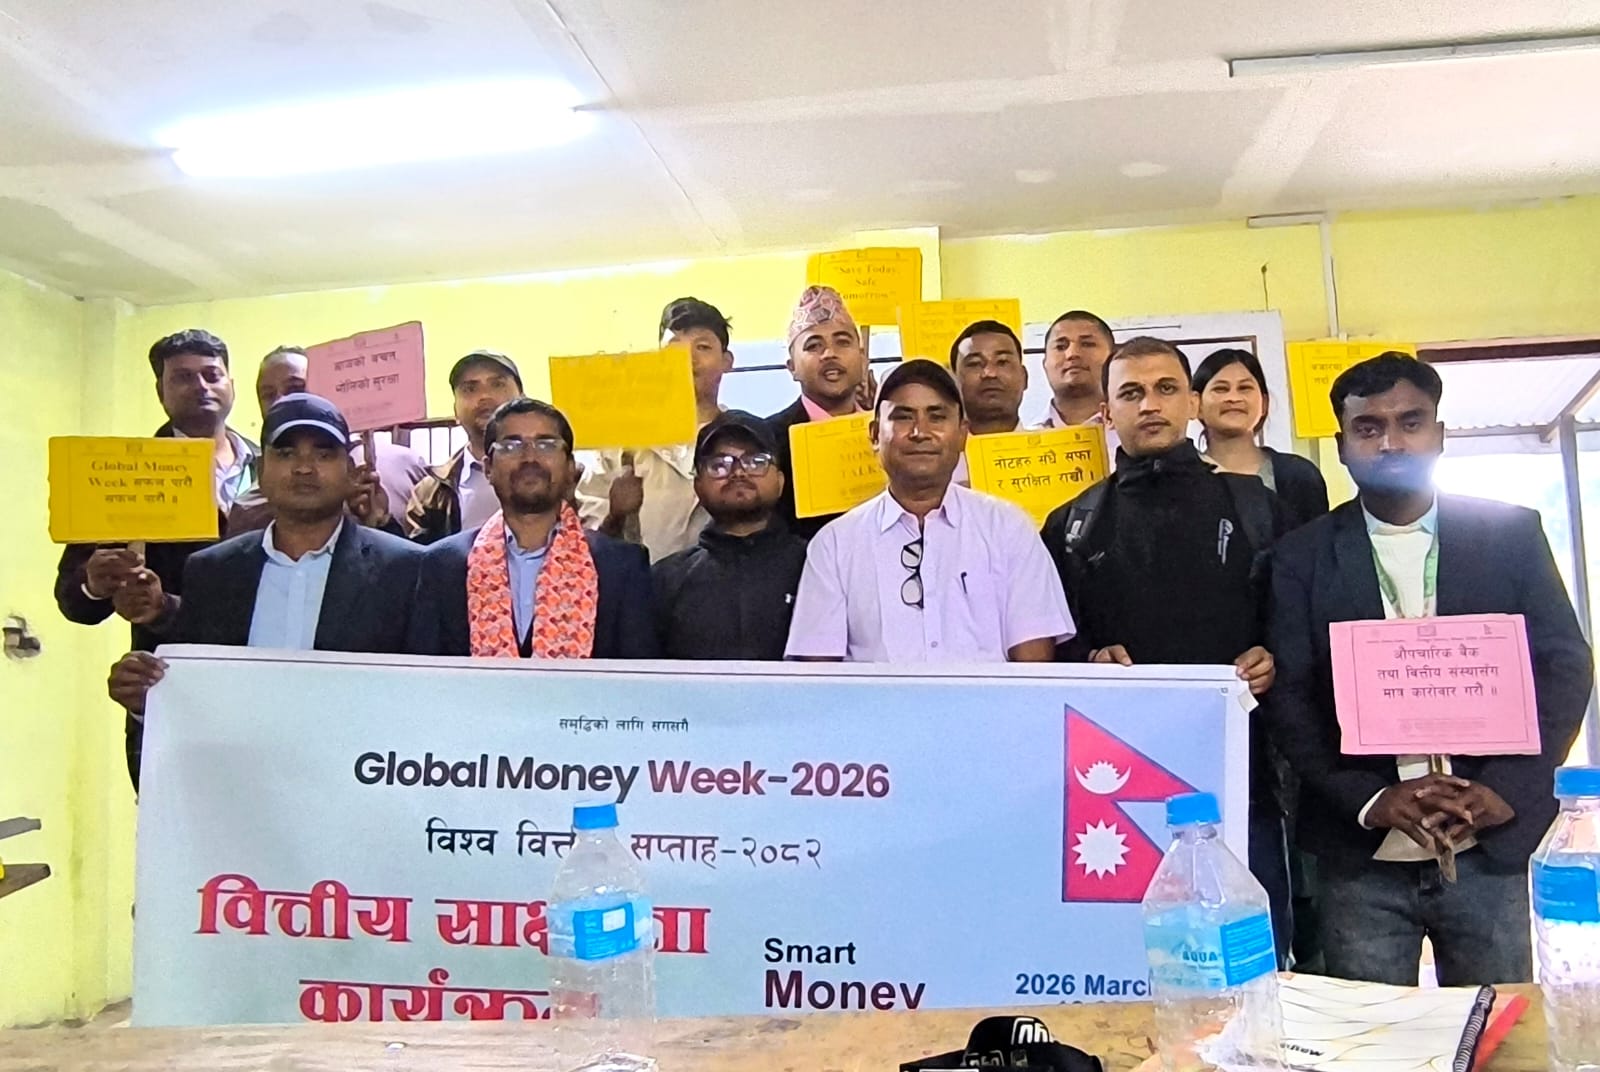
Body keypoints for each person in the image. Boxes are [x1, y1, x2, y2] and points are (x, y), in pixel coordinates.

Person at [1268, 353, 1593, 987]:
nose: (1391, 442)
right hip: (1361, 854)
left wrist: (1508, 789)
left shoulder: (1511, 534)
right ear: (1342, 445)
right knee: (1368, 1032)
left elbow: (1565, 666)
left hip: (1491, 843)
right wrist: (1368, 800)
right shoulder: (1299, 556)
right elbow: (1291, 695)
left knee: (1496, 1025)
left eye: (1410, 422)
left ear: (1439, 434)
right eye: (1368, 428)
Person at [1040, 335, 1291, 959]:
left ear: (1193, 403)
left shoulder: (1259, 509)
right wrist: (1088, 659)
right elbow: (1055, 648)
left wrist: (1272, 657)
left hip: (1242, 776)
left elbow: (1295, 626)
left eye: (1165, 389)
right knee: (1120, 956)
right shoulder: (1071, 524)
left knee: (1250, 956)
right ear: (1106, 412)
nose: (1149, 405)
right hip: (1114, 782)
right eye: (1131, 393)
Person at [104, 395, 423, 789]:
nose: (304, 467)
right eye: (286, 453)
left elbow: (422, 703)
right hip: (239, 795)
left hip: (359, 794)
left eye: (323, 454)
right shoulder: (212, 572)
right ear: (261, 470)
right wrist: (148, 699)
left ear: (349, 469)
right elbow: (195, 696)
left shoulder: (404, 570)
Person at [53, 330, 260, 786]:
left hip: (266, 682)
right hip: (166, 689)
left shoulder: (272, 467)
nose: (201, 386)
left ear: (231, 384)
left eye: (212, 375)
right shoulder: (126, 475)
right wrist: (94, 582)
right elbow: (74, 601)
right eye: (183, 377)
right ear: (160, 391)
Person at [785, 359, 1073, 663]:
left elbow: (1034, 667)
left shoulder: (1008, 528)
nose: (920, 432)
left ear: (962, 435)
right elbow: (819, 674)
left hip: (987, 698)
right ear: (874, 434)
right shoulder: (834, 545)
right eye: (903, 417)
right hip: (877, 698)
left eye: (937, 416)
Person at [408, 397, 657, 659]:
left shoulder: (620, 565)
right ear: (488, 468)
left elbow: (639, 676)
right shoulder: (443, 565)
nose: (529, 457)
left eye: (546, 445)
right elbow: (423, 675)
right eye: (511, 446)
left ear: (570, 467)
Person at [576, 297, 734, 561]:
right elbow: (589, 532)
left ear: (727, 361)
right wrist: (616, 513)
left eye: (703, 347)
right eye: (674, 348)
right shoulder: (619, 441)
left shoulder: (741, 437)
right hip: (637, 581)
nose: (688, 358)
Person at [226, 345, 430, 536]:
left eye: (295, 388)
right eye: (268, 395)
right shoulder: (249, 509)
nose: (282, 401)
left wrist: (380, 522)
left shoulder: (405, 465)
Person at [652, 411, 806, 660]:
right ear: (698, 487)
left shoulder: (816, 567)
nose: (738, 473)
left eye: (755, 461)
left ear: (780, 481)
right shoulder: (665, 579)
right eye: (719, 465)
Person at [766, 285, 871, 540]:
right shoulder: (768, 440)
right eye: (814, 346)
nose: (830, 354)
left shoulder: (888, 430)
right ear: (792, 367)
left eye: (842, 342)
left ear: (862, 358)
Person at [1194, 348, 1329, 529]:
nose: (1233, 398)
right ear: (1197, 405)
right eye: (1221, 389)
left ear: (1264, 404)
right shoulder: (1182, 478)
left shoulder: (1299, 475)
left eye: (1244, 388)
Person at [403, 349, 524, 544]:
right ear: (455, 411)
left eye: (497, 384)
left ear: (523, 399)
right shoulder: (430, 493)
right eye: (470, 389)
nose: (484, 396)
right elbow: (416, 557)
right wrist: (380, 521)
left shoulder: (558, 474)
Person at [948, 320, 1027, 487]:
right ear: (953, 382)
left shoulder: (1056, 457)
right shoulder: (936, 470)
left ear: (1024, 378)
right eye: (975, 364)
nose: (990, 373)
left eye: (1002, 362)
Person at [1035, 310, 1114, 431]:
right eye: (1060, 347)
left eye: (1087, 344)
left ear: (1113, 359)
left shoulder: (1133, 434)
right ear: (1045, 363)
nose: (1072, 354)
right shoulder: (1025, 436)